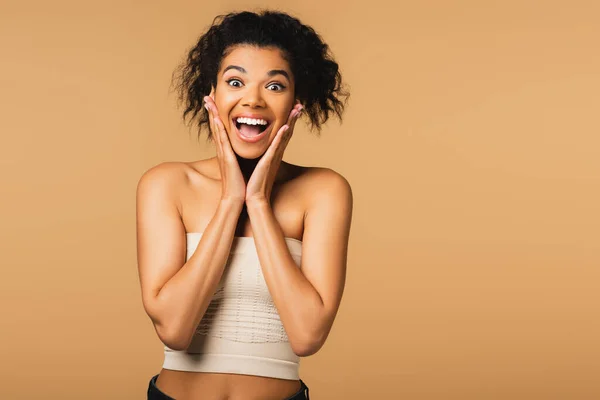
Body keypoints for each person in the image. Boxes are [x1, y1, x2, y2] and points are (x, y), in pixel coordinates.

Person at [136, 9, 353, 400]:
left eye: (274, 86)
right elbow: (175, 329)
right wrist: (230, 200)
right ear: (212, 95)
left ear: (296, 102)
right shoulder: (166, 184)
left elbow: (307, 335)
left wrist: (257, 201)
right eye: (235, 82)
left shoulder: (323, 191)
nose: (251, 100)